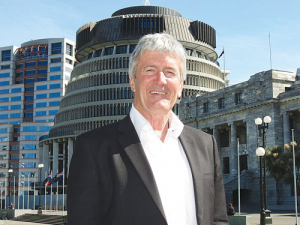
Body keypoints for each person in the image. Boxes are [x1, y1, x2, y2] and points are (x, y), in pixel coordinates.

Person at [67, 33, 229, 225]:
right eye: (150, 70)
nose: (160, 80)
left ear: (180, 87)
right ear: (132, 81)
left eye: (170, 72)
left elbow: (218, 219)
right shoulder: (94, 148)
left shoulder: (206, 145)